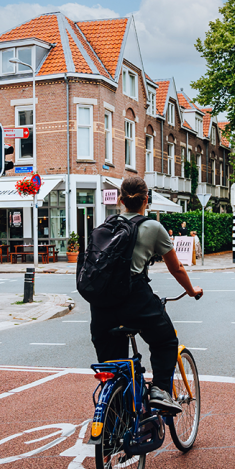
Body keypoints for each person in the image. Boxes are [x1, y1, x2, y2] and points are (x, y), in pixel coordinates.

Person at [89, 176, 203, 413]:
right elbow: (177, 268)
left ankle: (112, 429)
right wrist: (191, 291)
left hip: (100, 306)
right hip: (134, 300)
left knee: (113, 369)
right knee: (166, 341)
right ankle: (160, 390)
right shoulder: (152, 227)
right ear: (146, 201)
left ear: (120, 200)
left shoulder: (105, 227)